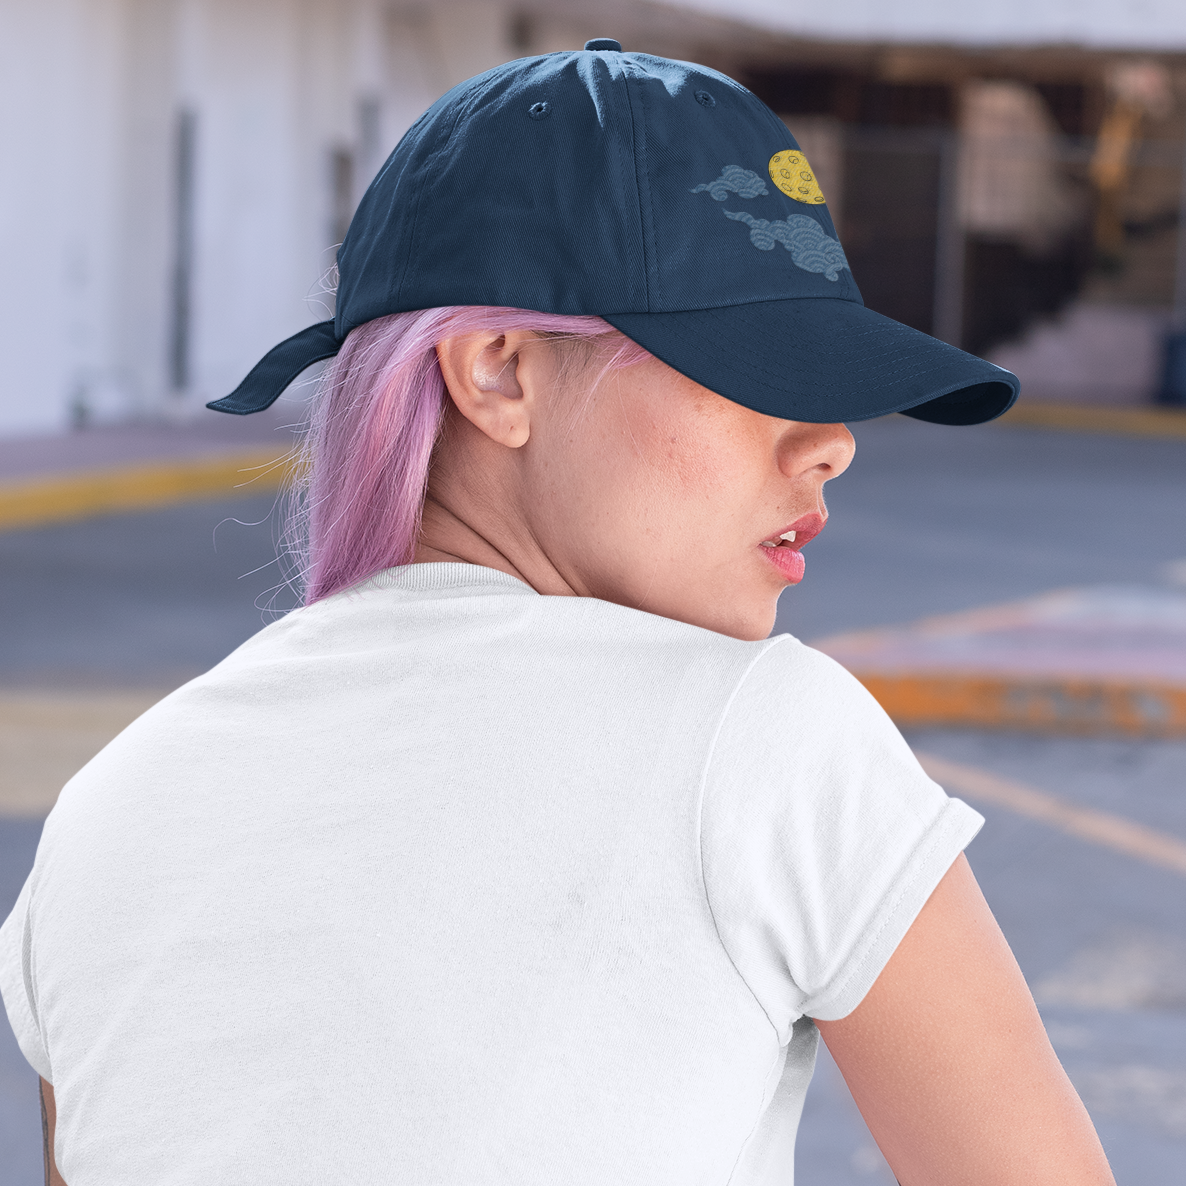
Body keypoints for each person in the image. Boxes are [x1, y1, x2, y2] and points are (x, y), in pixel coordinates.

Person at [2, 40, 1113, 1186]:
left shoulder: (103, 819)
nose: (830, 442)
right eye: (754, 365)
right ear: (497, 371)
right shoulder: (765, 741)